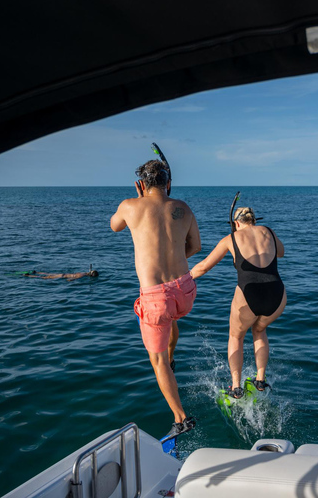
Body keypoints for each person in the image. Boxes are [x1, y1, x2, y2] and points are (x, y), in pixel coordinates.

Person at [110, 159, 201, 441]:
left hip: (156, 298)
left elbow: (114, 226)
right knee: (170, 318)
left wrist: (138, 201)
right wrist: (172, 258)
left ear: (142, 184)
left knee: (157, 360)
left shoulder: (129, 206)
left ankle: (181, 418)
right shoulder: (183, 208)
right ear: (168, 183)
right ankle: (173, 356)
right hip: (185, 291)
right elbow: (195, 247)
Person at [190, 206, 285, 399]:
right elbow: (280, 253)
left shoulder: (230, 239)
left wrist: (181, 278)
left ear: (236, 223)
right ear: (254, 221)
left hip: (249, 295)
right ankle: (260, 379)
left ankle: (236, 387)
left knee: (236, 337)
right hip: (277, 294)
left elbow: (202, 268)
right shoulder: (269, 231)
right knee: (259, 330)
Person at [24, 270, 99, 281]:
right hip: (63, 276)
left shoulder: (83, 273)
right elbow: (75, 278)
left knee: (47, 274)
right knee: (45, 278)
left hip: (63, 274)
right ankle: (28, 276)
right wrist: (70, 280)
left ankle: (36, 272)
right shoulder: (83, 276)